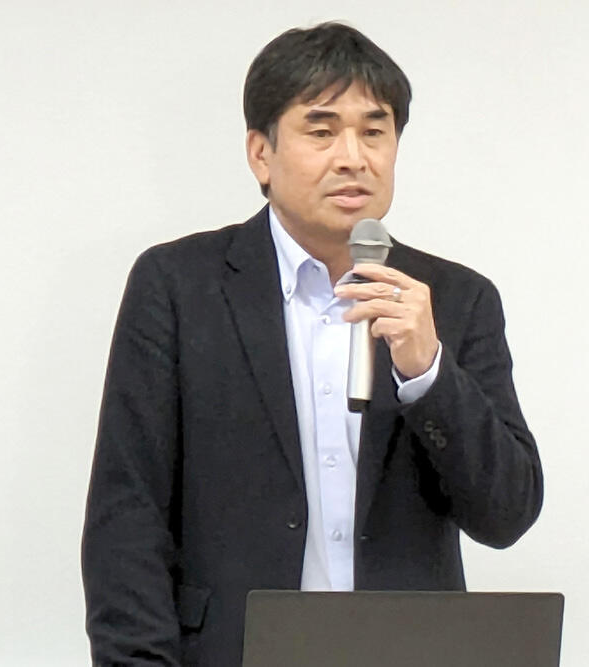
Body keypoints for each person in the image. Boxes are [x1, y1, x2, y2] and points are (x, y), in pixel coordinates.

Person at [81, 22, 543, 667]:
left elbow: (506, 515)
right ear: (261, 154)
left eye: (374, 132)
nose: (353, 157)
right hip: (230, 650)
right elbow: (127, 513)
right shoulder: (179, 286)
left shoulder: (456, 300)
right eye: (321, 131)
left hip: (406, 653)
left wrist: (429, 373)